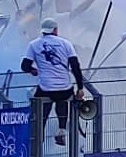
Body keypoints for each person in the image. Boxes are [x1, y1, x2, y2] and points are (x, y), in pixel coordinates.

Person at [21, 18, 85, 146]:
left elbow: (24, 66)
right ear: (55, 30)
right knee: (63, 99)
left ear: (43, 31)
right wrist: (80, 87)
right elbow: (75, 66)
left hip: (46, 88)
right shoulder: (66, 43)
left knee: (41, 111)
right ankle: (61, 130)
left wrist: (33, 70)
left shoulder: (34, 44)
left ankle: (38, 137)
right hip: (64, 88)